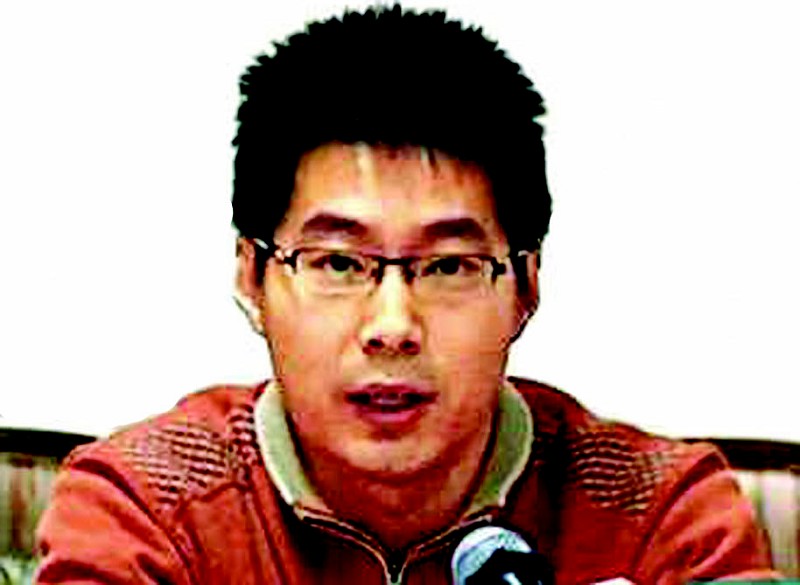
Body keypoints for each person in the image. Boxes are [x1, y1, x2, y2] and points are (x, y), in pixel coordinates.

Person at [35, 5, 778, 584]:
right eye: (338, 262)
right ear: (251, 276)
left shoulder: (657, 512)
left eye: (449, 267)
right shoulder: (146, 504)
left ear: (525, 286)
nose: (392, 324)